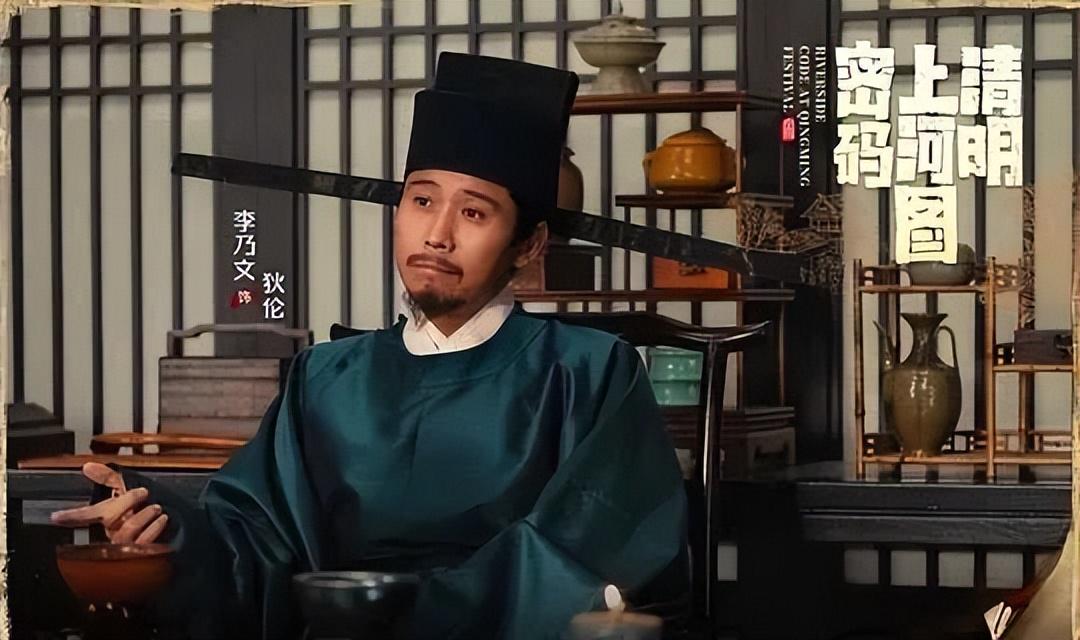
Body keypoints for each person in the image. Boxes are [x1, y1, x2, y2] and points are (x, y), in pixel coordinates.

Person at [51, 53, 688, 640]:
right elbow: (257, 546)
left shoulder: (588, 371)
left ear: (529, 245)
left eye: (473, 213)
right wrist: (167, 526)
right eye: (421, 200)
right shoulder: (326, 378)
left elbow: (589, 550)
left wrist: (387, 611)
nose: (436, 235)